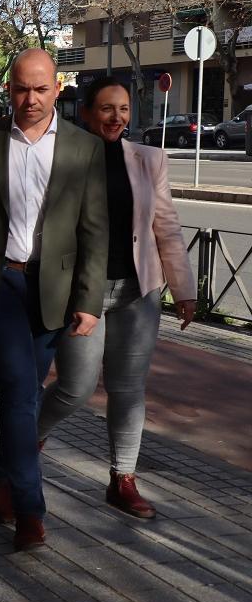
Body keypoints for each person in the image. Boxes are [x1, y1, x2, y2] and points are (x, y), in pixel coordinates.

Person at [0, 49, 109, 552]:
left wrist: (89, 301)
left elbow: (94, 232)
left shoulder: (84, 149)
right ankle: (30, 510)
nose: (30, 99)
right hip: (2, 286)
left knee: (26, 397)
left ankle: (0, 477)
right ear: (8, 88)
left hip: (55, 293)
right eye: (21, 89)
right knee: (17, 394)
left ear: (56, 88)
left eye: (40, 89)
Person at [38, 77, 196, 519]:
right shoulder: (61, 156)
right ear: (86, 112)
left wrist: (183, 290)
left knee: (128, 388)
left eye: (124, 108)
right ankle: (27, 438)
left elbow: (166, 226)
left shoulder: (149, 160)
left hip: (136, 291)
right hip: (80, 293)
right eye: (106, 108)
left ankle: (122, 478)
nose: (116, 117)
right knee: (77, 386)